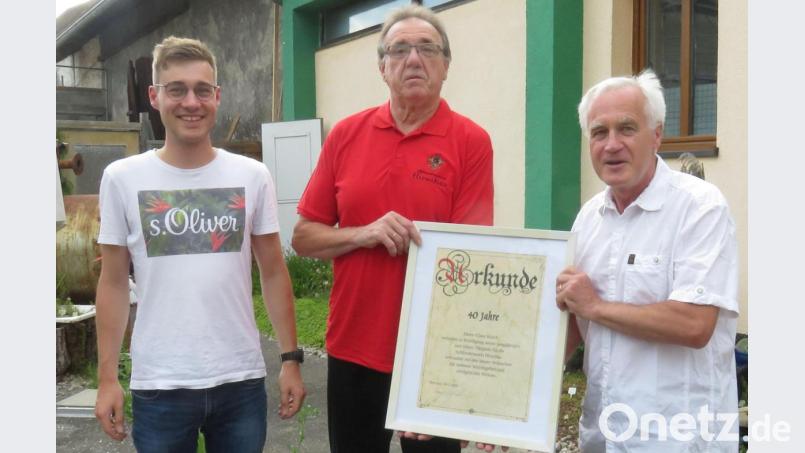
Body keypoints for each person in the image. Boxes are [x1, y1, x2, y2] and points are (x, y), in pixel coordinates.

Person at [291, 5, 493, 453]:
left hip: (432, 352)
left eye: (427, 49)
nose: (414, 59)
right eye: (399, 50)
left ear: (446, 65)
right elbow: (304, 238)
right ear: (382, 67)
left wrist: (471, 382)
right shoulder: (346, 134)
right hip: (354, 346)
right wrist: (362, 233)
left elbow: (473, 258)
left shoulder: (470, 141)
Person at [94, 36, 305, 452]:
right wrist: (106, 379)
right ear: (155, 96)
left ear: (217, 96)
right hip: (160, 384)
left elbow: (273, 271)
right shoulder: (122, 178)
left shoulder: (252, 175)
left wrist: (290, 361)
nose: (191, 102)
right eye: (177, 90)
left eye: (202, 90)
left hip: (239, 381)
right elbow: (114, 283)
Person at [556, 70, 739, 452]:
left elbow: (694, 323)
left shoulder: (700, 207)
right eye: (599, 132)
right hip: (602, 436)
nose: (612, 145)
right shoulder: (589, 218)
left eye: (626, 128)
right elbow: (569, 325)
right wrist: (511, 405)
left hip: (677, 439)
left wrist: (596, 306)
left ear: (656, 135)